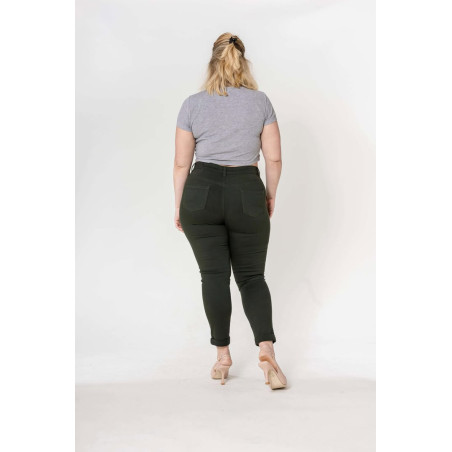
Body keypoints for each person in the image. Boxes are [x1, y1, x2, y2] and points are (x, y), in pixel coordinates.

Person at [173, 33, 287, 390]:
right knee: (252, 277)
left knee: (213, 277)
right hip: (246, 192)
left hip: (200, 194)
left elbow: (181, 164)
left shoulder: (192, 104)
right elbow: (273, 159)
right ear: (243, 63)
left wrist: (179, 205)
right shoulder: (260, 102)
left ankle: (222, 358)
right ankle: (266, 350)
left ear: (212, 63)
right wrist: (268, 195)